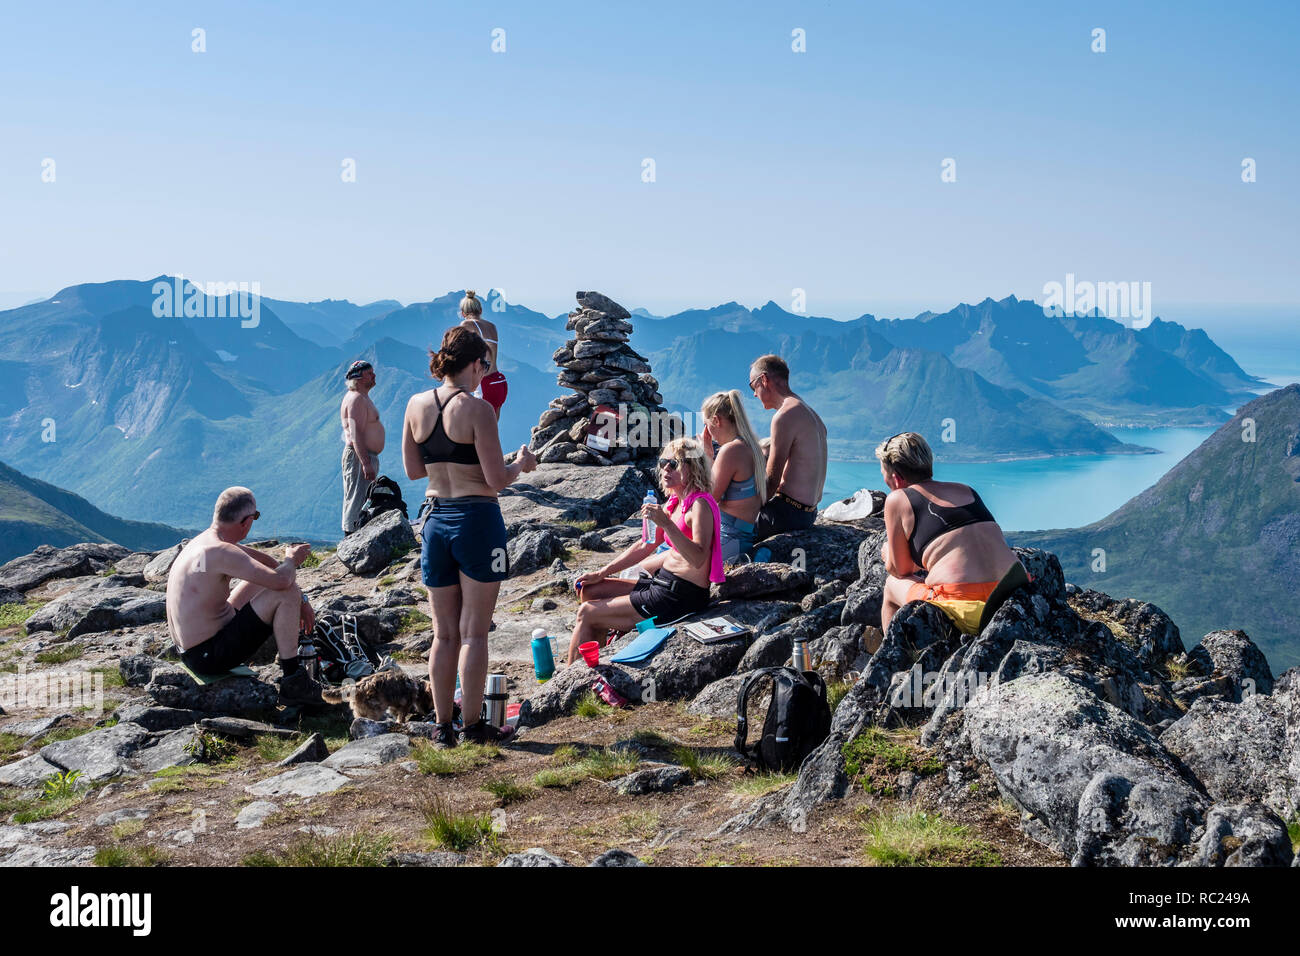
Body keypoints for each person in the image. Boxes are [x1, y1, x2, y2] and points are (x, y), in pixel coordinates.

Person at [403, 326, 537, 748]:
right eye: (485, 366)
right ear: (477, 363)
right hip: (477, 520)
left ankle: (443, 727)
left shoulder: (415, 405)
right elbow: (497, 480)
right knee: (474, 632)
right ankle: (475, 725)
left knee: (443, 634)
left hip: (435, 520)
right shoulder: (477, 410)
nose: (485, 373)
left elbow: (412, 471)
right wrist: (522, 464)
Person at [566, 437, 725, 665]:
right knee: (591, 591)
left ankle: (572, 681)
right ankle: (594, 662)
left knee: (588, 613)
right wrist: (601, 573)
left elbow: (699, 558)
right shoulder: (674, 503)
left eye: (675, 463)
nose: (666, 469)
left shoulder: (700, 505)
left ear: (693, 467)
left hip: (679, 596)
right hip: (661, 584)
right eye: (663, 463)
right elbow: (645, 545)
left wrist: (667, 524)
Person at [165, 487, 322, 705]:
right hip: (208, 656)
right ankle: (294, 681)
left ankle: (292, 672)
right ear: (246, 522)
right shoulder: (222, 551)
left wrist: (302, 600)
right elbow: (282, 581)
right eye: (255, 517)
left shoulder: (205, 543)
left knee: (275, 584)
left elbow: (269, 565)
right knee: (284, 593)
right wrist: (291, 561)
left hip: (192, 649)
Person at [876, 432, 1022, 636]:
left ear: (896, 478)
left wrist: (888, 554)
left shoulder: (898, 499)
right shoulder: (966, 490)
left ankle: (895, 658)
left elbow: (901, 570)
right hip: (1014, 595)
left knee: (892, 586)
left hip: (966, 606)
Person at [748, 354, 827, 541]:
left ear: (764, 380)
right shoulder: (811, 413)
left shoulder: (785, 415)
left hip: (786, 514)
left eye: (753, 386)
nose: (754, 394)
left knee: (723, 528)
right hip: (808, 513)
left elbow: (772, 480)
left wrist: (745, 508)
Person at [699, 390, 767, 562]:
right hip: (741, 539)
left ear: (716, 420)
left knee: (662, 564)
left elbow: (709, 499)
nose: (708, 432)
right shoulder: (752, 447)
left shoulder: (731, 451)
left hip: (726, 540)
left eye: (706, 425)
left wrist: (707, 456)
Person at [341, 359, 384, 535]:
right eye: (369, 373)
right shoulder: (356, 399)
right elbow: (356, 432)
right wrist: (365, 462)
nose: (374, 375)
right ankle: (351, 538)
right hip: (360, 456)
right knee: (357, 499)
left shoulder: (360, 397)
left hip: (364, 455)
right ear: (358, 378)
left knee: (361, 498)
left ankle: (356, 536)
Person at [457, 291, 507, 419]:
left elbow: (460, 352)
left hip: (485, 383)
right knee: (492, 430)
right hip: (499, 380)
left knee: (479, 432)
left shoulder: (466, 325)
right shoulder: (492, 326)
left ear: (463, 313)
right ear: (481, 310)